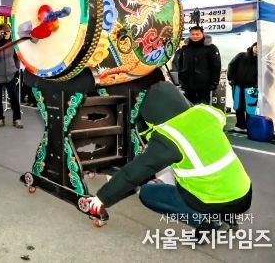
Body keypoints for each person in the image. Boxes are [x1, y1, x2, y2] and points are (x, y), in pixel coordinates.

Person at [87, 82, 252, 239]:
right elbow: (215, 115)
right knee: (183, 167)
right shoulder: (207, 114)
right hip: (244, 193)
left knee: (148, 193)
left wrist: (101, 198)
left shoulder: (170, 138)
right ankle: (227, 217)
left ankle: (207, 222)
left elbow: (132, 174)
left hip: (215, 200)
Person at [0, 24, 22, 128]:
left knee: (14, 98)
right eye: (4, 32)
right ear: (0, 32)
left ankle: (17, 119)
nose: (6, 34)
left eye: (8, 32)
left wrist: (16, 68)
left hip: (10, 75)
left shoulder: (12, 43)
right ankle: (0, 119)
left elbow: (16, 57)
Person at [175, 26, 221, 104]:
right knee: (189, 107)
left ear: (202, 34)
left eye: (197, 34)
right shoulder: (185, 48)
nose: (195, 36)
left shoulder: (210, 48)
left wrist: (214, 82)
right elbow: (180, 64)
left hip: (204, 86)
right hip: (188, 85)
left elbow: (216, 66)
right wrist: (181, 78)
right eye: (193, 34)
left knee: (203, 107)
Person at [227, 43, 258, 133]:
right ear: (253, 46)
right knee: (238, 105)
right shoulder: (241, 55)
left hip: (252, 86)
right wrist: (231, 78)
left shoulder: (262, 60)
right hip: (238, 85)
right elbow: (231, 65)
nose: (258, 49)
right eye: (256, 47)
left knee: (250, 107)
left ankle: (249, 126)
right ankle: (240, 125)